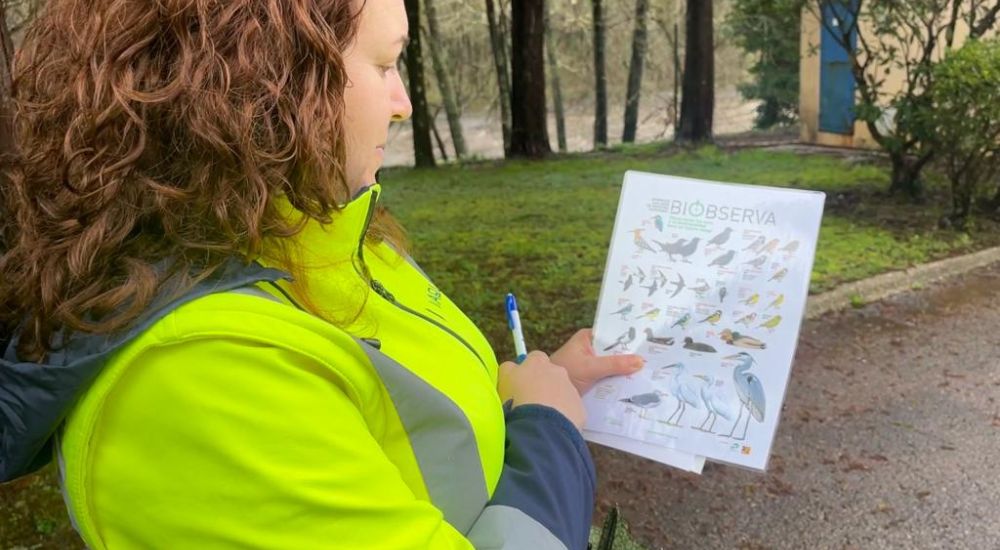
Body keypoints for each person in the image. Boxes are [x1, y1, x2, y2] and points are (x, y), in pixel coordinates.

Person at [0, 1, 645, 548]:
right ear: (270, 81)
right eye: (387, 65)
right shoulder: (202, 375)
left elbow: (418, 439)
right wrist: (548, 434)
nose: (404, 105)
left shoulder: (324, 232)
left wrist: (542, 389)